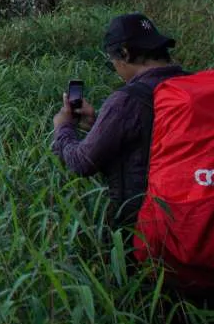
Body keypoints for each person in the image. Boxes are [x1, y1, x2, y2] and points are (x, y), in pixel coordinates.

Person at [50, 12, 185, 233]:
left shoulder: (128, 100)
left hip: (147, 229)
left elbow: (82, 162)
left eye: (113, 60)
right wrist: (97, 125)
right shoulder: (191, 86)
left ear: (124, 53)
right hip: (193, 216)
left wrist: (63, 126)